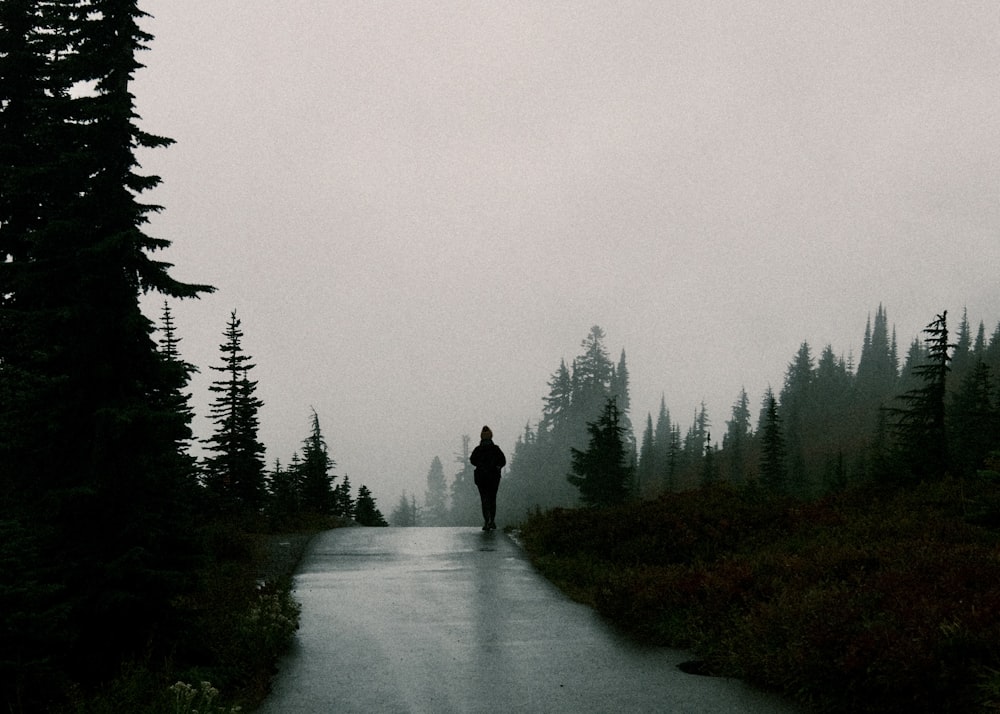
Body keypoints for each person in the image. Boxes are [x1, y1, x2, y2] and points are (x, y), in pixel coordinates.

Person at [470, 425, 506, 531]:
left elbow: (472, 460)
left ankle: (486, 521)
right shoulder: (495, 449)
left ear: (481, 437)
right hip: (494, 478)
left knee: (484, 500)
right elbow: (503, 461)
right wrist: (497, 466)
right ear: (491, 436)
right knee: (492, 499)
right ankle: (492, 521)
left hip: (481, 479)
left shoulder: (478, 449)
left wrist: (480, 465)